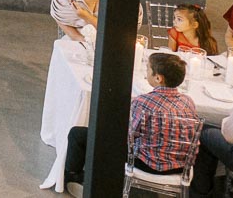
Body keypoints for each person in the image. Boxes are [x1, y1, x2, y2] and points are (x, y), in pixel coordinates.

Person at [62, 52, 201, 198]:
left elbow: (129, 135)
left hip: (146, 164)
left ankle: (74, 178)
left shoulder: (143, 102)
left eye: (148, 69)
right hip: (179, 167)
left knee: (78, 134)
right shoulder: (188, 101)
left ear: (158, 78)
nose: (146, 72)